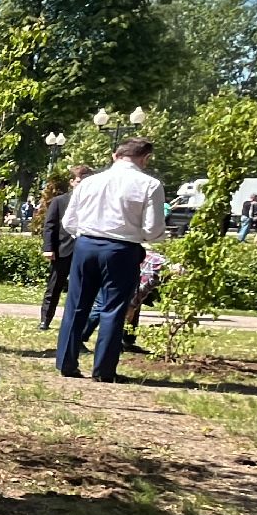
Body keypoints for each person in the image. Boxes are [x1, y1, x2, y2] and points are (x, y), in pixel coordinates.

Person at [57, 138, 166, 383]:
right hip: (122, 249)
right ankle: (104, 370)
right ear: (145, 158)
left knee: (76, 305)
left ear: (115, 156)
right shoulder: (150, 185)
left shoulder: (89, 182)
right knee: (112, 309)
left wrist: (85, 234)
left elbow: (69, 222)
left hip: (86, 244)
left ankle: (66, 361)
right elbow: (153, 229)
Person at [39, 165, 88, 330]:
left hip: (85, 250)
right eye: (80, 181)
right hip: (62, 249)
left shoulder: (93, 202)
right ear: (72, 182)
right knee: (54, 286)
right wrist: (48, 248)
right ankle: (45, 319)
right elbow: (50, 226)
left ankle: (74, 322)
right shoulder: (59, 201)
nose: (83, 184)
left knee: (82, 288)